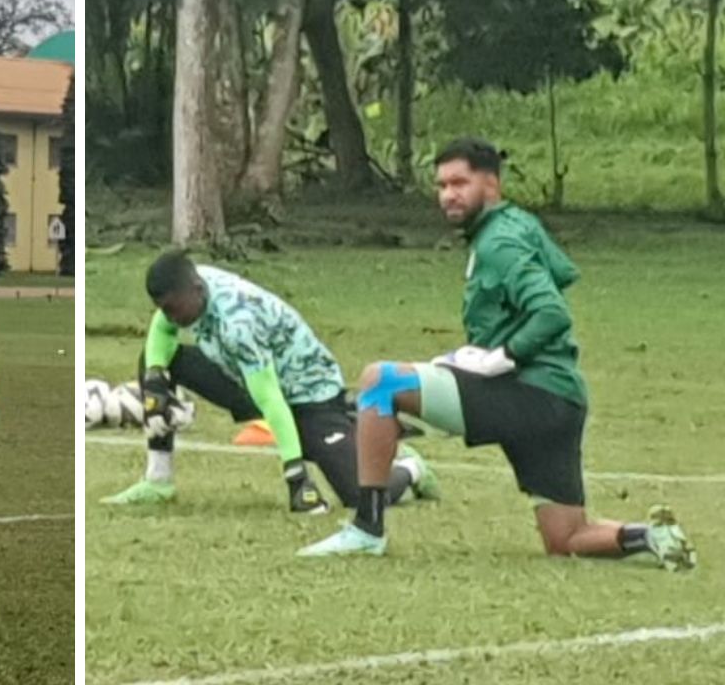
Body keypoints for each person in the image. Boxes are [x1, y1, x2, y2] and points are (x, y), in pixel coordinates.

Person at [298, 136, 697, 570]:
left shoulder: (499, 242)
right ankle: (650, 536)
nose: (448, 194)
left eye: (459, 183)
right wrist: (472, 356)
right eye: (441, 185)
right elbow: (559, 274)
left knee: (381, 382)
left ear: (491, 185)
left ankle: (366, 529)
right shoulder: (515, 226)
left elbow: (551, 312)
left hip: (526, 393)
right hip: (561, 402)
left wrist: (499, 357)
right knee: (565, 537)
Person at [100, 251, 440, 514]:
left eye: (174, 309)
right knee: (153, 362)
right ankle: (158, 481)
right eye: (164, 309)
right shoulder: (189, 288)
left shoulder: (239, 323)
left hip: (309, 395)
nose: (172, 318)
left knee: (356, 493)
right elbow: (162, 330)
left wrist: (296, 477)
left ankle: (410, 468)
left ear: (197, 290)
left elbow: (271, 399)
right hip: (241, 376)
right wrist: (157, 382)